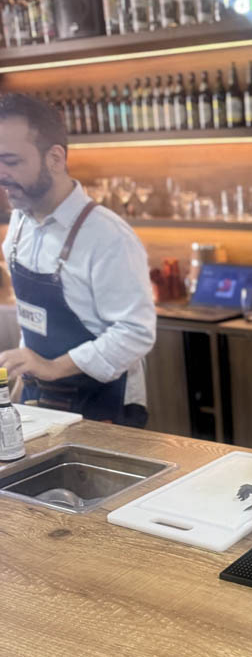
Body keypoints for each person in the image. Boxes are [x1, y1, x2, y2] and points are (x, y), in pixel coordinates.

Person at [0, 92, 155, 426]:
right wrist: (25, 375)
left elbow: (135, 333)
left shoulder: (108, 236)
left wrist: (53, 367)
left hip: (104, 406)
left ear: (55, 158)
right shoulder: (19, 223)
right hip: (40, 399)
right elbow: (35, 317)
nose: (2, 175)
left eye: (11, 161)